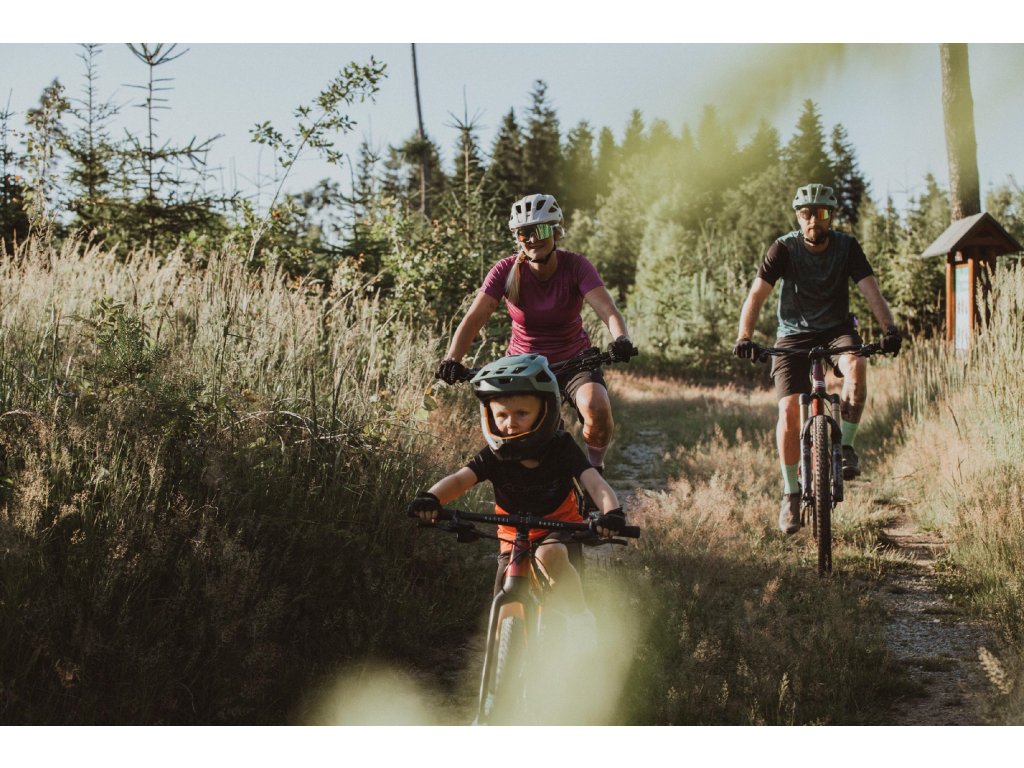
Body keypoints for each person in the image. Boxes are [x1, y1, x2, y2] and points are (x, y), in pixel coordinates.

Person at [408, 353, 627, 638]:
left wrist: (611, 512)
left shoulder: (560, 447)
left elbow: (594, 482)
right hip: (513, 536)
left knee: (550, 554)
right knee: (503, 605)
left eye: (521, 413)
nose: (510, 423)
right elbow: (461, 479)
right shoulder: (494, 455)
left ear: (546, 409)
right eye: (501, 415)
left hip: (558, 528)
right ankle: (504, 657)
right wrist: (431, 498)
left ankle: (580, 616)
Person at [733, 183, 903, 534]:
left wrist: (889, 329)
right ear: (798, 217)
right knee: (788, 411)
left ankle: (847, 447)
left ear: (831, 217)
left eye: (821, 213)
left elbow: (871, 291)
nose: (813, 220)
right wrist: (744, 337)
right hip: (793, 334)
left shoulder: (846, 247)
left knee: (856, 365)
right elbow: (756, 295)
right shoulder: (784, 248)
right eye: (806, 214)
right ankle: (791, 493)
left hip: (836, 330)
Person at [435, 193, 636, 474]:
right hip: (523, 367)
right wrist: (452, 359)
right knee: (522, 435)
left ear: (555, 231)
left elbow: (608, 309)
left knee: (596, 406)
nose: (531, 239)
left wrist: (621, 338)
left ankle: (594, 470)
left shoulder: (575, 266)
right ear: (517, 237)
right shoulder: (506, 270)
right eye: (523, 233)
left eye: (540, 230)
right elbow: (474, 319)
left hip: (574, 361)